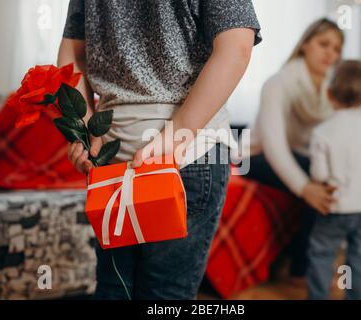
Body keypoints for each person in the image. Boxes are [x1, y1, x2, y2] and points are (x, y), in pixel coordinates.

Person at [58, 0, 261, 300]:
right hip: (187, 152)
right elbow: (236, 46)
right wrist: (176, 133)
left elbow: (70, 56)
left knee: (115, 290)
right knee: (165, 296)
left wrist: (86, 126)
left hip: (120, 155)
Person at [243, 18, 343, 281]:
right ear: (305, 44)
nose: (330, 54)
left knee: (330, 176)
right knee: (315, 177)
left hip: (300, 156)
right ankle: (305, 265)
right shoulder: (277, 83)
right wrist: (304, 187)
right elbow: (274, 145)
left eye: (336, 49)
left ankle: (313, 257)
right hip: (253, 156)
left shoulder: (331, 91)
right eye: (324, 44)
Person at [307, 60, 361, 300]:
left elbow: (320, 175)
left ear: (329, 94)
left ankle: (318, 296)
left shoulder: (321, 132)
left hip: (335, 208)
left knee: (322, 254)